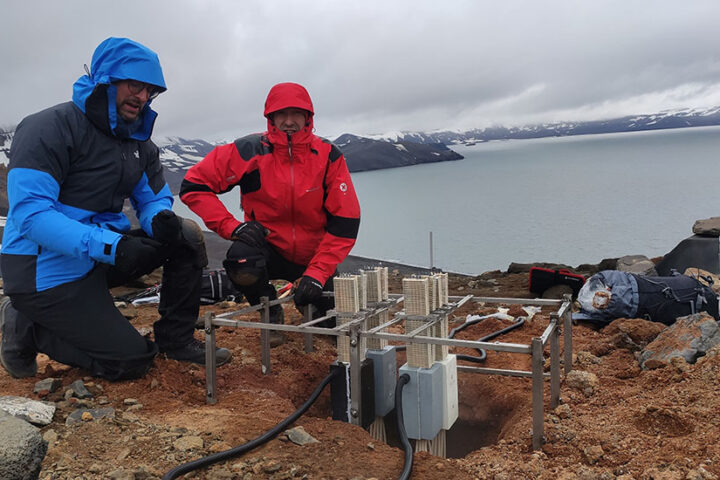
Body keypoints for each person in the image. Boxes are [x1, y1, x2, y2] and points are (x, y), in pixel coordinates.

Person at [0, 37, 231, 381]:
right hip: (42, 270)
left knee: (183, 234)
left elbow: (151, 198)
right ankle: (25, 327)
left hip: (97, 257)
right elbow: (32, 216)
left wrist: (159, 220)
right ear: (105, 79)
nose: (141, 96)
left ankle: (176, 340)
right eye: (134, 85)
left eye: (149, 90)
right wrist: (112, 246)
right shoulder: (48, 128)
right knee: (130, 362)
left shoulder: (136, 140)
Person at [180, 82, 361, 346]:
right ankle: (269, 308)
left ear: (308, 117)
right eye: (281, 114)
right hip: (266, 247)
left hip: (313, 255)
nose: (289, 121)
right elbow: (194, 185)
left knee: (332, 329)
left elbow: (346, 222)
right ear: (271, 118)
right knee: (241, 261)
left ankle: (311, 303)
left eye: (297, 114)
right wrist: (232, 227)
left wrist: (317, 273)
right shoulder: (249, 151)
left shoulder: (328, 156)